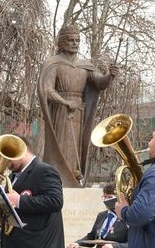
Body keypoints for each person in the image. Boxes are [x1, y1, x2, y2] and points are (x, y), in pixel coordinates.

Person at [37, 23, 119, 187]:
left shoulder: (85, 65)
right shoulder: (53, 63)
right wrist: (65, 102)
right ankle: (59, 179)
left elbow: (99, 83)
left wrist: (110, 76)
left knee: (77, 147)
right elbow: (46, 90)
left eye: (77, 40)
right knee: (61, 145)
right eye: (71, 40)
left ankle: (74, 176)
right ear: (62, 42)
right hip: (60, 112)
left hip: (79, 112)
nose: (75, 43)